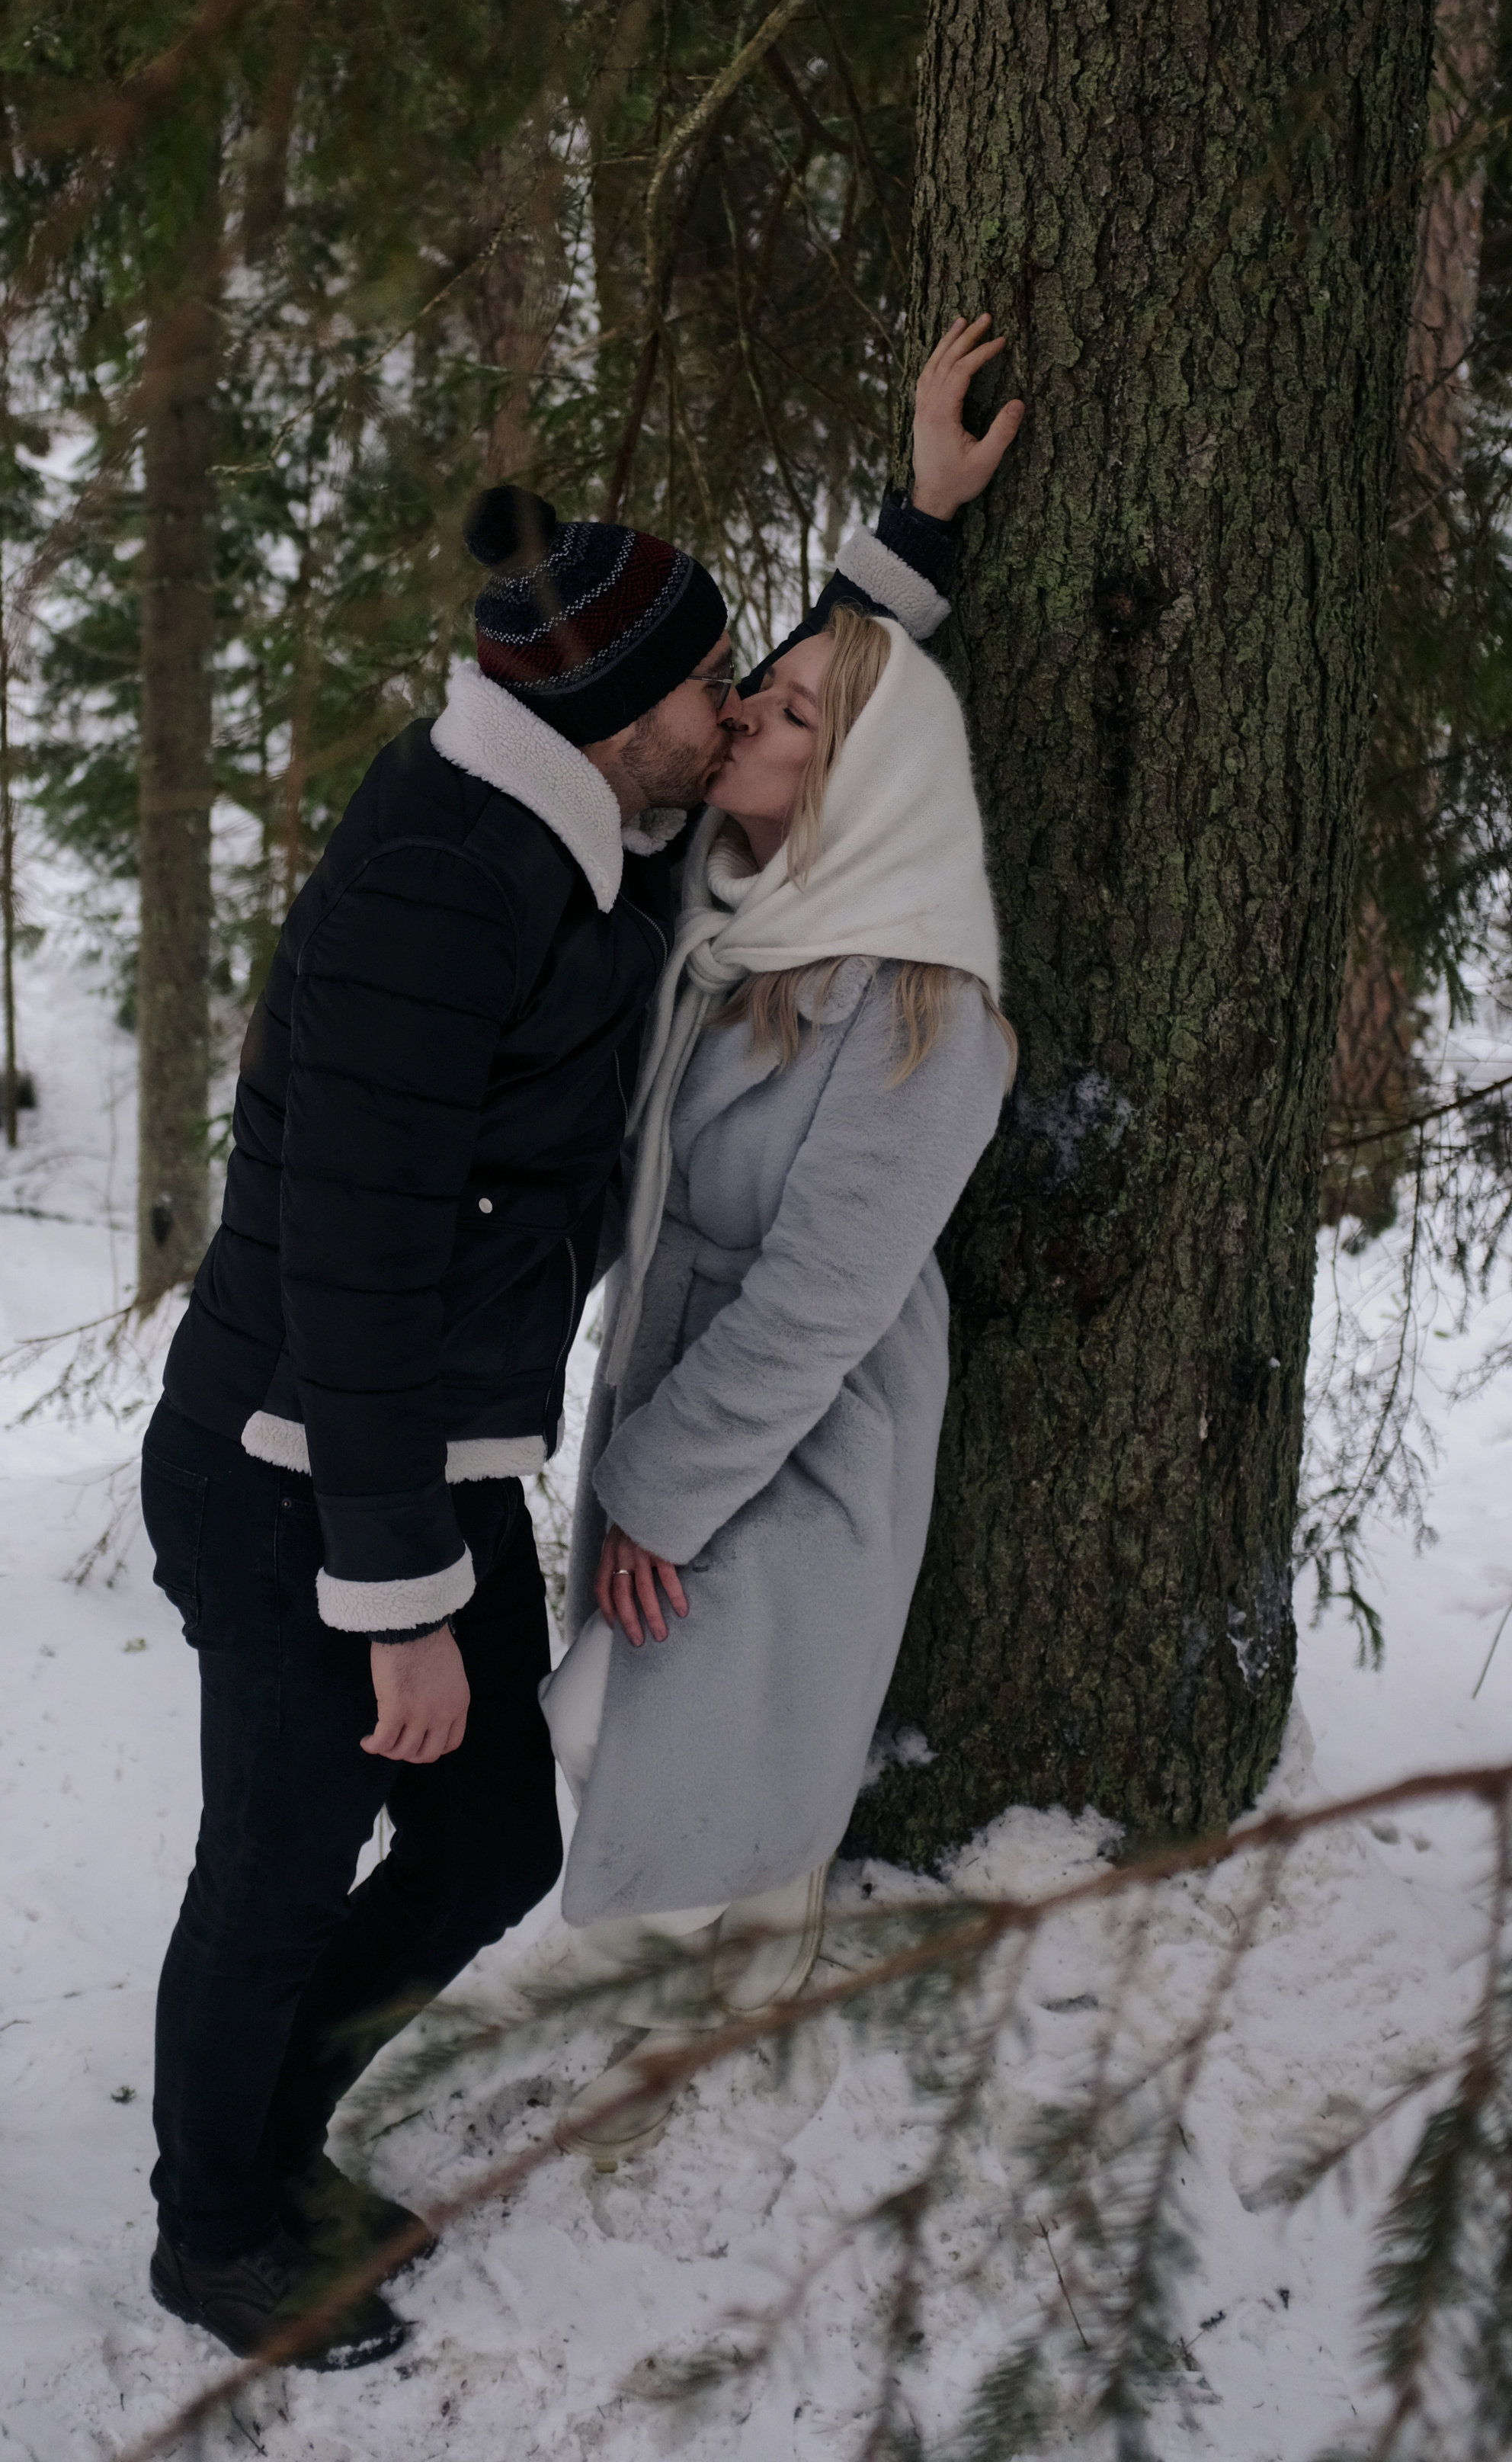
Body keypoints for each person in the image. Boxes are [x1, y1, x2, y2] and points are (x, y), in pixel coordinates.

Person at [136, 322, 1014, 2364]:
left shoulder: (595, 812)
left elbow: (789, 719)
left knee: (488, 1835)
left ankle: (275, 2140)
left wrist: (911, 538)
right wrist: (401, 1600)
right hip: (297, 1473)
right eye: (714, 693)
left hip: (416, 1463)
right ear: (627, 726)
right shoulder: (446, 881)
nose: (738, 717)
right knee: (279, 1863)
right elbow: (353, 1262)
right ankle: (215, 2230)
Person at [540, 348, 1021, 2170]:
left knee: (726, 1764)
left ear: (863, 786)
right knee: (646, 1752)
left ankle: (725, 2120)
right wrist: (915, 517)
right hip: (676, 1401)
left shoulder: (925, 1013)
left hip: (796, 1435)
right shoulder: (731, 909)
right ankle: (649, 2060)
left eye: (782, 721)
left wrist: (661, 1491)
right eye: (747, 702)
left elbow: (822, 1295)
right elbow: (827, 675)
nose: (735, 716)